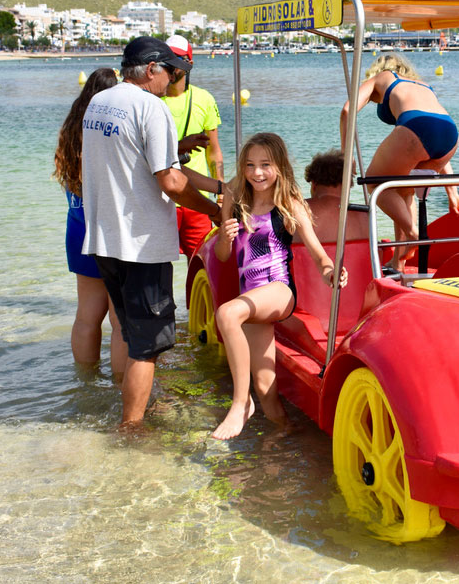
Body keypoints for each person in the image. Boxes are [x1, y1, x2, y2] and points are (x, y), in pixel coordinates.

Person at [81, 36, 222, 430]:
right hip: (141, 244)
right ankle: (132, 428)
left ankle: (134, 403)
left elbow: (136, 161)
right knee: (147, 346)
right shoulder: (150, 106)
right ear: (152, 69)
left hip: (104, 240)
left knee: (129, 330)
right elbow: (172, 181)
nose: (174, 80)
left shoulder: (99, 102)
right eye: (172, 72)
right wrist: (214, 210)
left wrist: (217, 188)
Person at [211, 133, 347, 440]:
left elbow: (318, 254)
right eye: (249, 165)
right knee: (266, 387)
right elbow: (222, 256)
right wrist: (223, 237)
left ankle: (240, 403)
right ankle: (283, 441)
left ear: (279, 167)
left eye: (265, 165)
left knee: (227, 314)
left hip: (278, 291)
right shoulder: (236, 199)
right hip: (252, 298)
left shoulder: (288, 205)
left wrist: (331, 272)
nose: (257, 172)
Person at [341, 53, 459, 270]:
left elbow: (347, 111)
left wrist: (345, 156)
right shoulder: (423, 86)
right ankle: (398, 262)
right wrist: (451, 189)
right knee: (403, 191)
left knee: (374, 183)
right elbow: (434, 127)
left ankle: (414, 234)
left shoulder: (383, 77)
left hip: (416, 128)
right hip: (450, 135)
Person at [53, 67, 128, 377]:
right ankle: (123, 385)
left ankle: (84, 379)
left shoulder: (72, 130)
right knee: (119, 316)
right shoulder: (106, 126)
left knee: (86, 315)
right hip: (108, 230)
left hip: (77, 227)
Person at [162, 34, 224, 258]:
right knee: (158, 264)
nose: (170, 65)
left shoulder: (203, 98)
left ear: (189, 64)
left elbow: (214, 150)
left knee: (200, 262)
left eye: (176, 59)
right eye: (166, 59)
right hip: (161, 197)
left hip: (195, 197)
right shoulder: (151, 99)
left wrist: (220, 190)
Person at [302, 149, 368, 243]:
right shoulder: (364, 216)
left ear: (314, 184)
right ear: (349, 184)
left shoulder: (298, 210)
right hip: (353, 257)